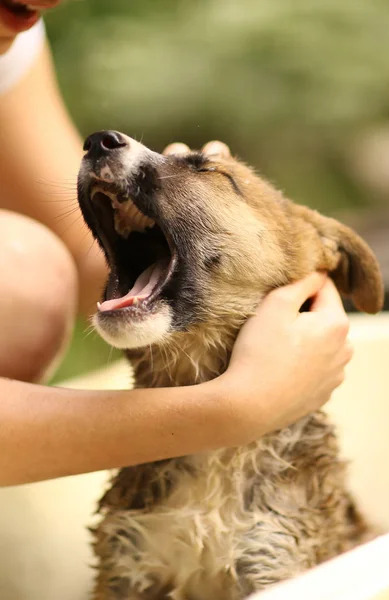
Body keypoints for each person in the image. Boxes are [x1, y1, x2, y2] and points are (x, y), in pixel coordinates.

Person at [0, 2, 352, 486]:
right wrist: (233, 408)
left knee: (25, 278)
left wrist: (177, 223)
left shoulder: (12, 34)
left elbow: (77, 258)